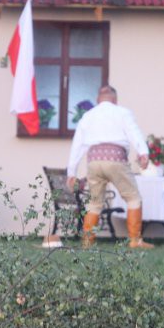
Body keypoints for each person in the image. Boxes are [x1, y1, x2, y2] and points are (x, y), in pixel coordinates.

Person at [66, 85, 153, 249]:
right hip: (116, 160)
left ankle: (87, 242)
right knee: (133, 198)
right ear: (115, 100)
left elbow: (78, 144)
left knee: (94, 203)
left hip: (93, 161)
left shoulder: (88, 115)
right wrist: (143, 152)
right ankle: (135, 240)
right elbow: (134, 132)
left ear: (98, 100)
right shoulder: (123, 113)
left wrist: (72, 172)